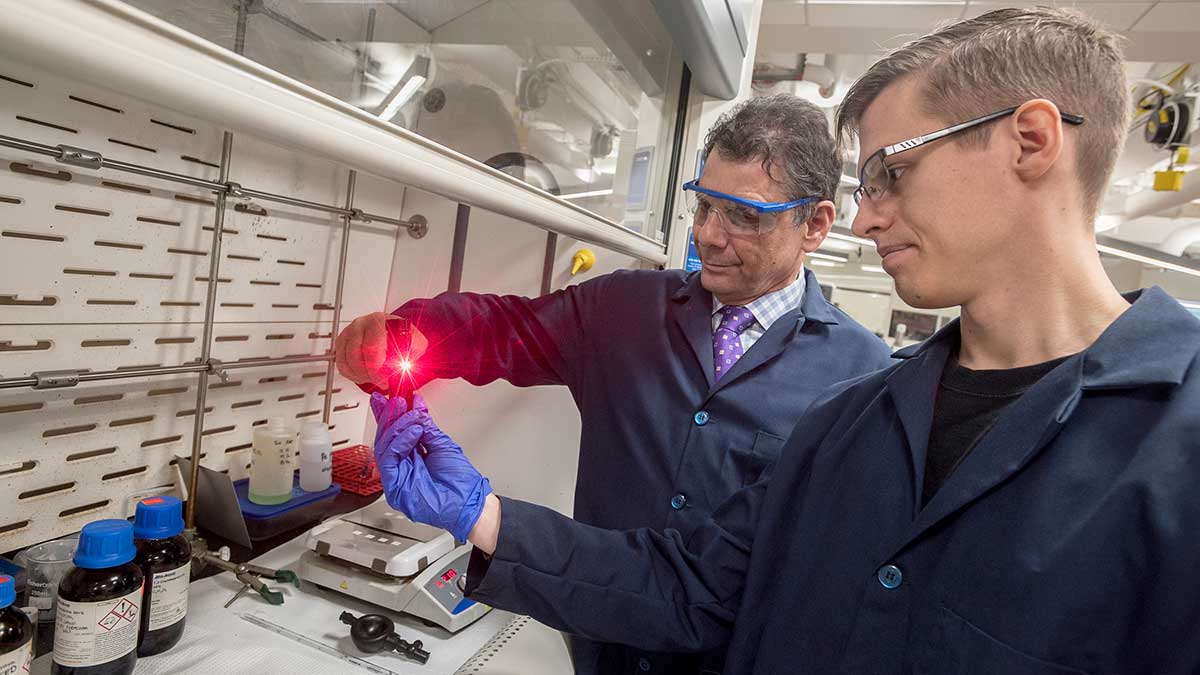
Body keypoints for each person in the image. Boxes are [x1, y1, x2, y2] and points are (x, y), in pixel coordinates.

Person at [369, 7, 1200, 673]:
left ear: (1031, 140)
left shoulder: (1178, 449)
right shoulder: (856, 421)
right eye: (868, 181)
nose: (872, 213)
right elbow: (695, 586)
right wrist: (479, 511)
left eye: (892, 173)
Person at [338, 94, 893, 674]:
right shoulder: (624, 307)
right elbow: (508, 329)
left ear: (817, 224)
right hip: (598, 649)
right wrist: (408, 333)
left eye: (742, 216)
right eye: (704, 205)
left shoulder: (861, 375)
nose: (707, 234)